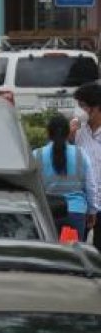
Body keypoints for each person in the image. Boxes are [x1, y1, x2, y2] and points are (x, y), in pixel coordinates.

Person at [35, 113, 95, 239]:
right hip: (76, 212)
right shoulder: (80, 153)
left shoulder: (37, 155)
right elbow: (90, 185)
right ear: (68, 133)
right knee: (73, 256)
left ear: (48, 133)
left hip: (48, 213)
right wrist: (92, 211)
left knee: (50, 256)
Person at [74, 83, 101, 248]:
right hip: (81, 204)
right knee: (74, 247)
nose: (79, 111)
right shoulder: (78, 132)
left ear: (96, 107)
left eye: (83, 106)